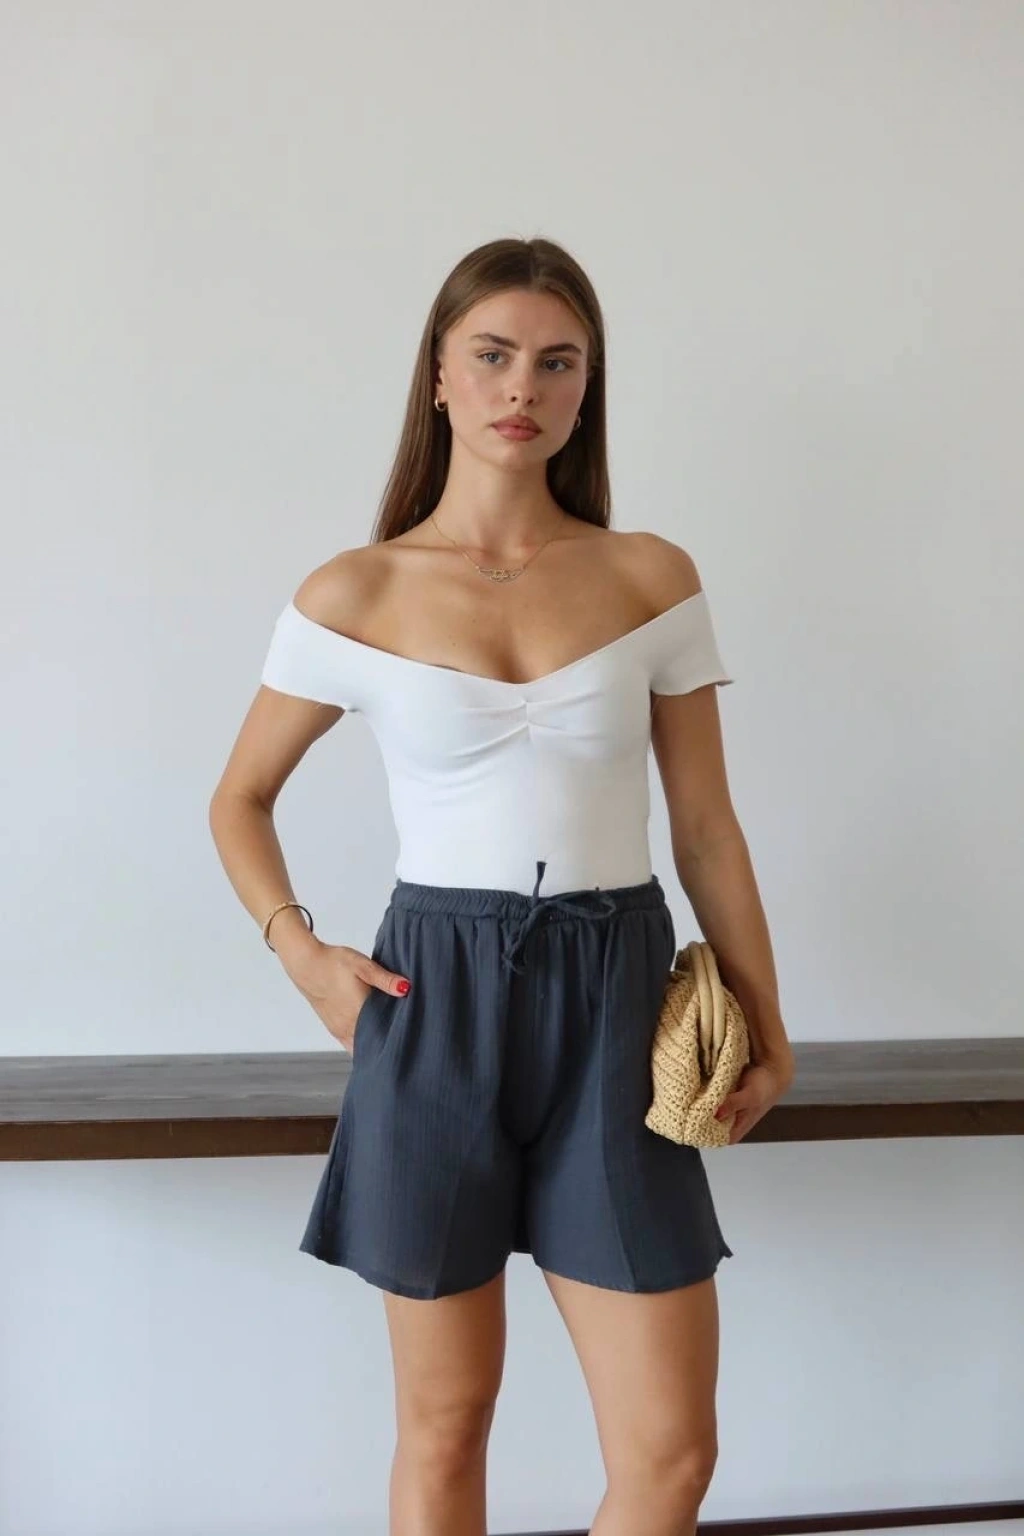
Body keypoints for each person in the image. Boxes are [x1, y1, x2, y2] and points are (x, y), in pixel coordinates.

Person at [209, 236, 795, 1536]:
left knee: (670, 1452)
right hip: (434, 996)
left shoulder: (649, 576)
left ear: (588, 388)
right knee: (446, 1425)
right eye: (492, 354)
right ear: (437, 374)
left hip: (619, 997)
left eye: (557, 361)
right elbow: (237, 799)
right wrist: (303, 954)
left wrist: (767, 1017)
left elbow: (706, 829)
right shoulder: (356, 591)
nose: (522, 384)